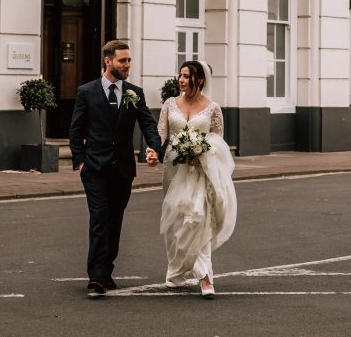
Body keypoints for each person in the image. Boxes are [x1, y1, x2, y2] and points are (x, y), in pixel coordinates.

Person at [69, 40, 164, 299]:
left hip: (123, 168)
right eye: (123, 61)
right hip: (95, 168)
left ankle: (106, 269)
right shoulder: (86, 92)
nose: (128, 65)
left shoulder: (135, 92)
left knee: (115, 220)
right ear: (108, 61)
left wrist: (155, 148)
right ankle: (96, 276)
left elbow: (148, 125)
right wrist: (79, 161)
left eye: (129, 60)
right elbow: (76, 130)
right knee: (99, 219)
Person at [157, 60, 237, 299]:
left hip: (199, 171)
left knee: (198, 218)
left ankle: (205, 276)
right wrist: (152, 150)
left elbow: (217, 142)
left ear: (199, 79)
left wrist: (199, 152)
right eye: (179, 75)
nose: (180, 80)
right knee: (176, 220)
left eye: (185, 76)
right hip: (173, 167)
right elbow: (161, 133)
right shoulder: (170, 104)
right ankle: (175, 271)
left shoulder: (213, 108)